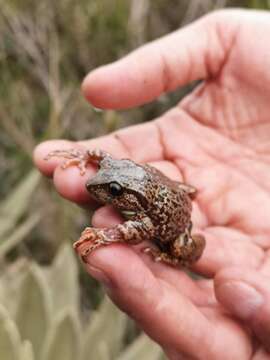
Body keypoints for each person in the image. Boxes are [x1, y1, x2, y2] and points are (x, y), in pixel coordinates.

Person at [34, 9, 270, 359]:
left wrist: (108, 235)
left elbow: (140, 228)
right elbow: (106, 158)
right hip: (160, 185)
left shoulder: (143, 216)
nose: (99, 187)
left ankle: (171, 252)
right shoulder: (116, 169)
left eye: (112, 192)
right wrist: (83, 156)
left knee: (179, 248)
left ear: (126, 196)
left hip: (175, 223)